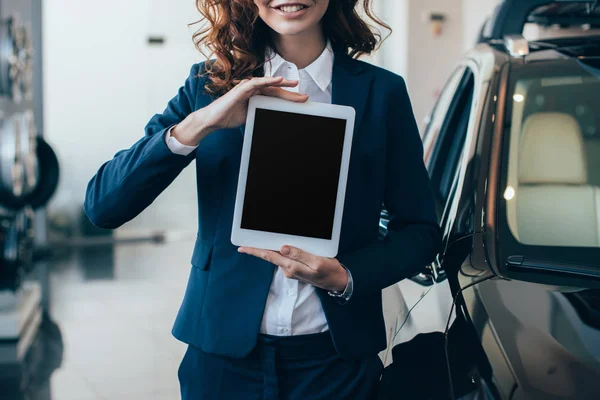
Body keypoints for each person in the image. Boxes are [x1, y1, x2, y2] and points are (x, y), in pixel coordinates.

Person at [84, 0, 441, 399]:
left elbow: (420, 231)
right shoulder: (209, 86)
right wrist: (201, 124)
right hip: (222, 360)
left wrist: (347, 276)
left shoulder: (381, 92)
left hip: (336, 366)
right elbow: (103, 205)